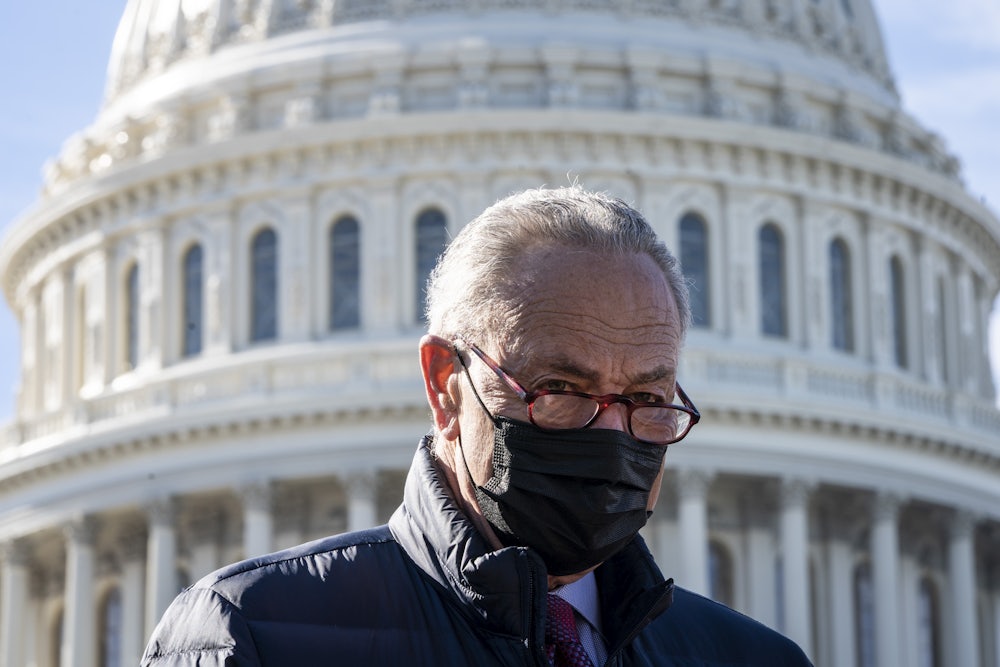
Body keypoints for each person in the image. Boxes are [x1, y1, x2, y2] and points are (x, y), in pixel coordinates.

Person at [141, 187, 812, 666]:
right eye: (559, 389)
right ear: (444, 382)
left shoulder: (754, 657)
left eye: (645, 397)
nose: (610, 434)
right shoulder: (256, 632)